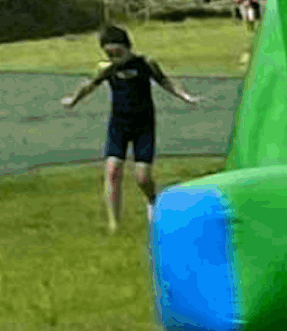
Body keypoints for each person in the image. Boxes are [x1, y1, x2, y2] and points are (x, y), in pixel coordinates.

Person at [58, 25, 204, 233]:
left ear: (128, 47)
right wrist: (73, 100)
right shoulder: (107, 69)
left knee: (142, 177)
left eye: (118, 52)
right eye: (109, 54)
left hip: (143, 126)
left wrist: (185, 97)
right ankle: (114, 225)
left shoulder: (146, 64)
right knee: (112, 171)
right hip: (118, 125)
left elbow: (165, 82)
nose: (115, 58)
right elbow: (89, 85)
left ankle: (152, 200)